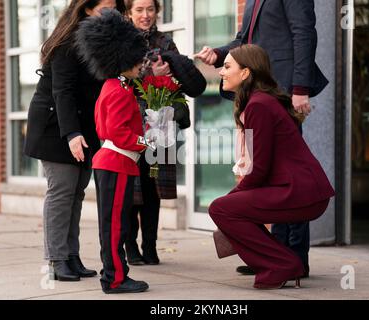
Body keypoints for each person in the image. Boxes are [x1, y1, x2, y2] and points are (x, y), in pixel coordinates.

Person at [194, 0, 328, 277]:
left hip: (283, 86)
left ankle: (296, 257)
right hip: (263, 88)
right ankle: (276, 253)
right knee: (272, 174)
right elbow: (244, 40)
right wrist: (218, 54)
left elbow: (304, 33)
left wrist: (300, 87)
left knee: (289, 175)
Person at [208, 44, 335, 289]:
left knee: (221, 208)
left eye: (227, 66)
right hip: (301, 191)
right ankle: (279, 262)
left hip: (301, 192)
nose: (221, 72)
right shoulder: (260, 102)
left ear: (245, 73)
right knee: (228, 207)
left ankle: (282, 263)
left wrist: (232, 197)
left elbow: (259, 168)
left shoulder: (258, 105)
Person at [24, 0, 125, 282]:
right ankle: (56, 260)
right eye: (106, 4)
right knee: (62, 191)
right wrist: (72, 134)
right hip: (57, 125)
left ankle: (71, 255)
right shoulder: (69, 40)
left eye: (115, 4)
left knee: (77, 192)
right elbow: (63, 91)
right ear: (87, 7)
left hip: (84, 125)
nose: (112, 9)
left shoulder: (104, 38)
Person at [75, 8, 152, 294]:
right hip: (117, 163)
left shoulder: (111, 86)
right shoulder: (120, 90)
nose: (140, 64)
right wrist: (146, 143)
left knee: (112, 223)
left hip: (110, 162)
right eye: (137, 59)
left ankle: (113, 274)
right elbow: (117, 133)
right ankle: (115, 278)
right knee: (116, 225)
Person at [123, 0, 191, 265]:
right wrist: (152, 73)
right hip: (130, 124)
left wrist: (170, 78)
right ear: (128, 13)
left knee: (152, 189)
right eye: (139, 10)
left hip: (160, 125)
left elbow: (181, 80)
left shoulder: (166, 43)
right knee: (132, 189)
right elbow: (120, 79)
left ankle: (149, 246)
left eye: (150, 9)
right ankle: (131, 247)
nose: (146, 15)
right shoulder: (123, 42)